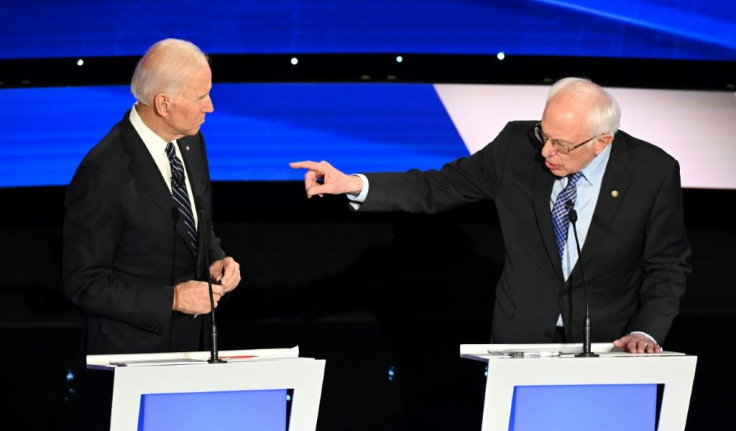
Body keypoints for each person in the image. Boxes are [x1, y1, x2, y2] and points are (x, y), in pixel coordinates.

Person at [290, 77, 691, 354]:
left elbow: (668, 265)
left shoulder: (652, 172)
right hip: (520, 340)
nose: (547, 152)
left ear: (603, 140)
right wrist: (354, 184)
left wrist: (645, 330)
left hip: (610, 343)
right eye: (544, 134)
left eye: (562, 144)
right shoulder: (516, 147)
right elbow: (437, 187)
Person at [63, 38, 241, 356]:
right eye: (201, 96)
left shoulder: (191, 142)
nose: (211, 106)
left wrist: (217, 259)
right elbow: (84, 282)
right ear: (163, 104)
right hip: (132, 354)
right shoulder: (103, 172)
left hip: (194, 346)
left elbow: (197, 224)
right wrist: (172, 299)